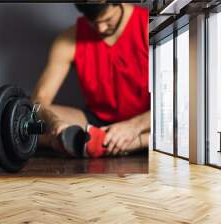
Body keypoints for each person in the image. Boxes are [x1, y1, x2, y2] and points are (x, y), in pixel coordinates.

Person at [31, 3, 150, 158]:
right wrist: (54, 123)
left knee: (184, 121)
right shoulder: (67, 40)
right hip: (96, 121)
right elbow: (39, 100)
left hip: (147, 122)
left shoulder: (151, 25)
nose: (100, 29)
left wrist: (135, 126)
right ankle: (94, 141)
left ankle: (131, 142)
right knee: (30, 115)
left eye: (108, 19)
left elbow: (180, 100)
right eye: (93, 23)